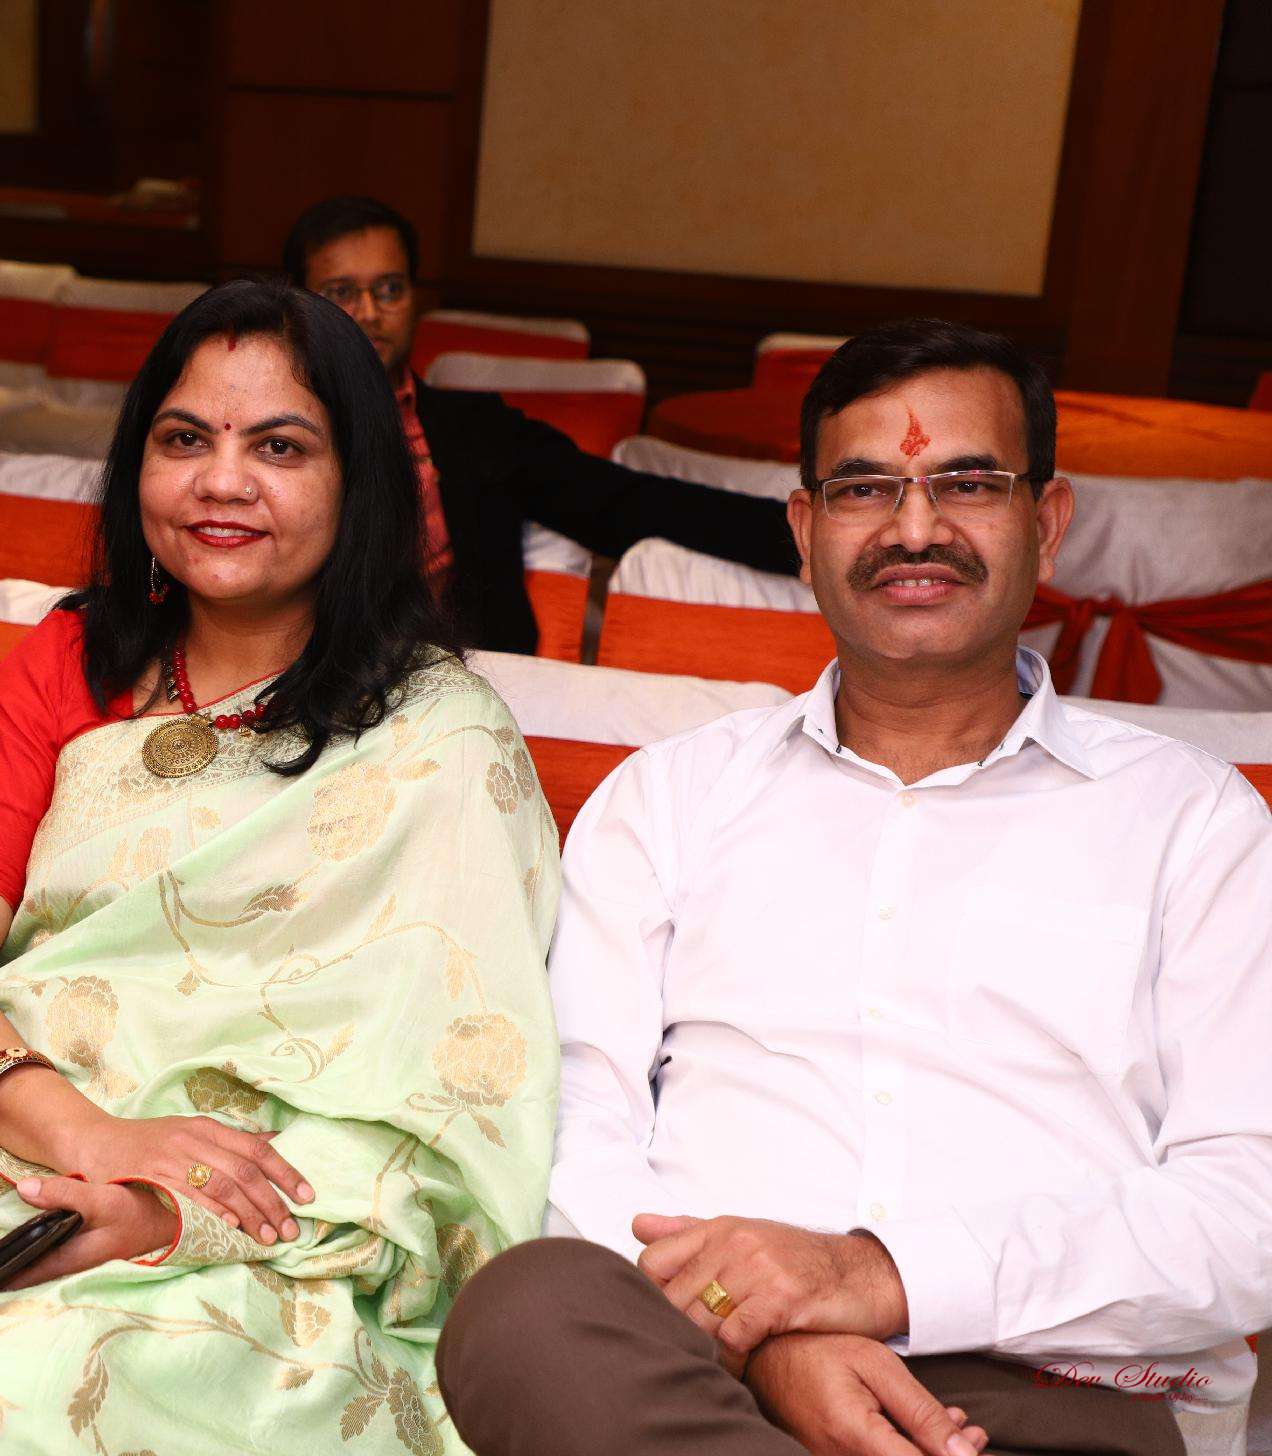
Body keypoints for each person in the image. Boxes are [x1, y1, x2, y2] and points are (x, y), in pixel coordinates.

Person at [0, 279, 560, 1455]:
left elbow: (441, 1100)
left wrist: (165, 1213)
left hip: (287, 1245)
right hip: (30, 1172)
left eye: (278, 447)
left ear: (359, 483)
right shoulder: (70, 664)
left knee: (33, 1396)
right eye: (185, 440)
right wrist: (85, 1134)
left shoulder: (443, 737)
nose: (222, 481)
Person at [435, 319, 1272, 1456]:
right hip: (692, 1369)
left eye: (968, 484)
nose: (915, 529)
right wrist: (765, 1342)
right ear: (804, 529)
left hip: (1045, 1387)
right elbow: (577, 1128)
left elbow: (1246, 1209)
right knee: (524, 1312)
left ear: (1047, 522)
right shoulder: (669, 798)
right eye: (865, 489)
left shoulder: (1193, 821)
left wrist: (878, 1276)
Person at [284, 195, 801, 654]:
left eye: (390, 289)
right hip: (294, 675)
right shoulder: (268, 434)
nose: (369, 312)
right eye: (341, 292)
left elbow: (628, 504)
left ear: (415, 298)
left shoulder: (475, 430)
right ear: (299, 306)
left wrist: (807, 532)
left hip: (460, 687)